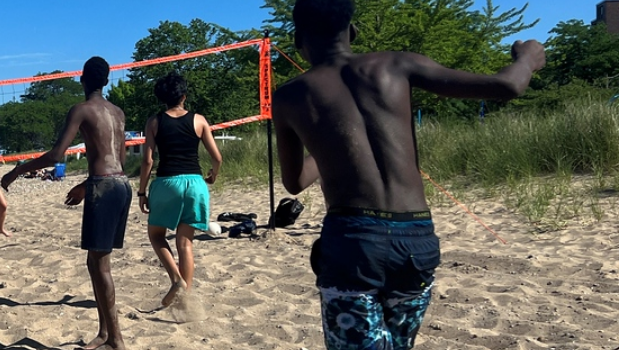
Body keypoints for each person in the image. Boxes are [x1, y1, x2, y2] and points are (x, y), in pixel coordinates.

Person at [273, 1, 545, 348]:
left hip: (353, 242)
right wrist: (528, 58)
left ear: (298, 39)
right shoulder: (397, 63)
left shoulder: (289, 96)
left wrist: (330, 143)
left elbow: (294, 182)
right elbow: (506, 87)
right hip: (415, 237)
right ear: (353, 31)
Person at [0, 56, 130, 350]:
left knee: (101, 266)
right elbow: (119, 159)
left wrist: (18, 170)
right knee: (96, 262)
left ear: (82, 79)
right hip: (122, 185)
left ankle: (117, 341)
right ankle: (104, 333)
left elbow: (56, 156)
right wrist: (86, 185)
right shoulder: (118, 112)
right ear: (107, 81)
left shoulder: (82, 110)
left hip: (105, 186)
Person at [133, 72, 223, 309]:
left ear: (162, 98)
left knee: (156, 236)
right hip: (195, 183)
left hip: (167, 182)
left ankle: (176, 280)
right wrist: (213, 174)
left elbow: (148, 162)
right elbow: (217, 157)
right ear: (184, 96)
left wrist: (142, 192)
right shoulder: (199, 120)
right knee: (186, 244)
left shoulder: (154, 122)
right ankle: (186, 298)